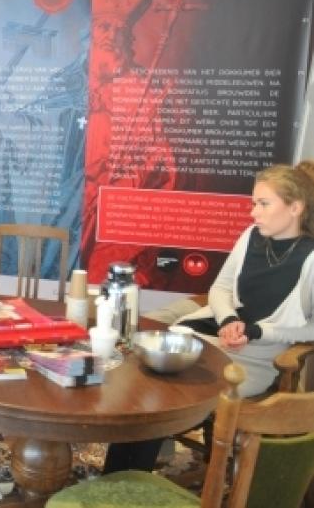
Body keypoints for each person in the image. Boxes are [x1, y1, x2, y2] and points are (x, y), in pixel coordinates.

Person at [104, 161, 314, 472]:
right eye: (253, 203)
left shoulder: (310, 259)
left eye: (263, 204)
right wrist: (229, 320)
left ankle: (125, 478)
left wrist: (257, 333)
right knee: (144, 378)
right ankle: (121, 478)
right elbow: (221, 288)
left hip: (253, 358)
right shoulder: (251, 236)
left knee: (164, 394)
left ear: (295, 207)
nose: (253, 213)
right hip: (212, 334)